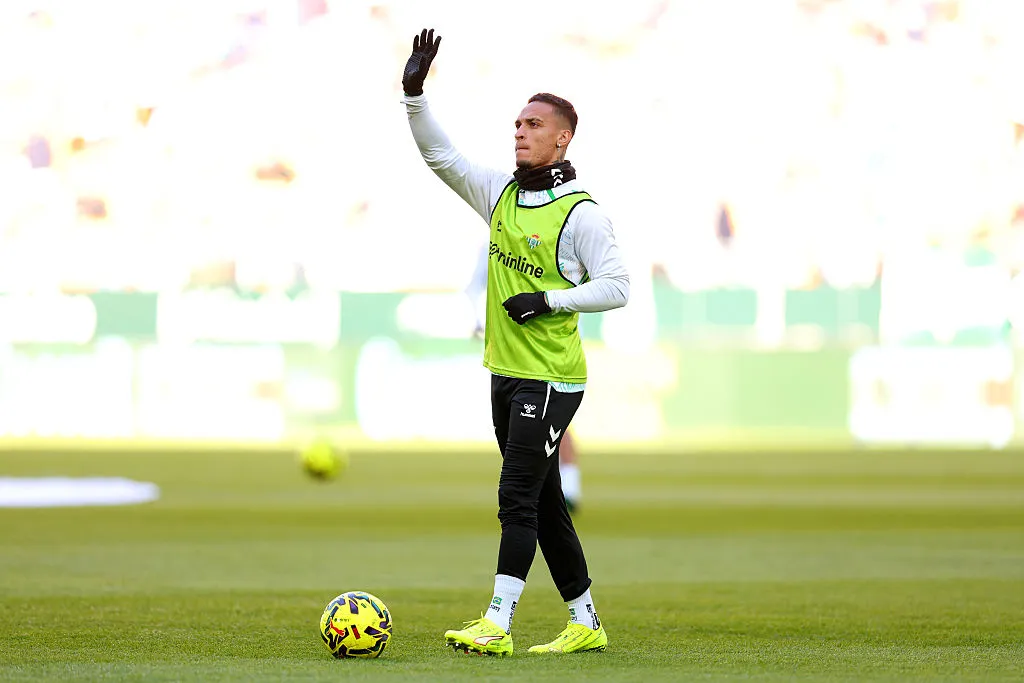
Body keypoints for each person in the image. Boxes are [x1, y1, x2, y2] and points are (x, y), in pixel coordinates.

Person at [402, 29, 629, 656]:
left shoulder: (581, 213)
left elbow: (617, 287)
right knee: (546, 501)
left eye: (533, 124)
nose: (520, 132)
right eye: (517, 123)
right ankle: (586, 622)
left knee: (515, 496)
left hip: (552, 379)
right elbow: (442, 160)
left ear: (562, 137)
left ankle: (497, 623)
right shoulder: (501, 193)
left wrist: (548, 299)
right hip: (504, 372)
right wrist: (415, 96)